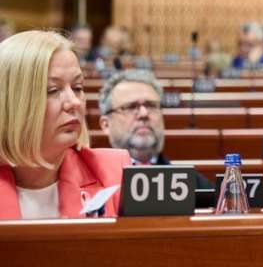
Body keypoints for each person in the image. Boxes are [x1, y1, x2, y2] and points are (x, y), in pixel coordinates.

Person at [0, 30, 130, 219]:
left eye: (77, 88)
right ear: (12, 103)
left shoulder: (114, 172)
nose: (74, 102)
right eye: (53, 90)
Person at [98, 70, 213, 190]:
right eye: (130, 107)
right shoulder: (90, 188)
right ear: (106, 125)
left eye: (151, 105)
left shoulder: (196, 186)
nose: (144, 113)